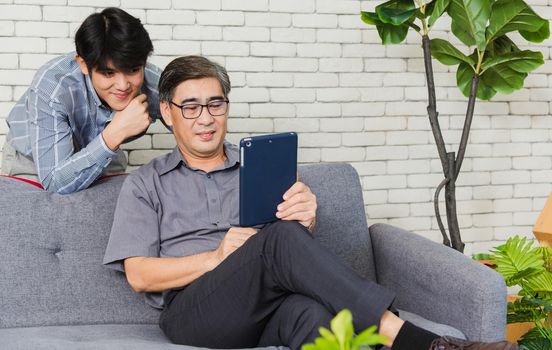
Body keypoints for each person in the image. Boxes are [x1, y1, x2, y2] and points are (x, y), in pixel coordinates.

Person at [103, 56, 518, 350]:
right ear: (167, 111)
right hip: (194, 313)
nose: (206, 118)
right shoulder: (147, 183)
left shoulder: (262, 168)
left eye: (215, 104)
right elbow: (139, 275)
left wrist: (305, 219)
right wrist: (216, 258)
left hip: (267, 308)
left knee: (317, 318)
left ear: (226, 108)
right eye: (190, 107)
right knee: (279, 240)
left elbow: (286, 254)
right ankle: (417, 342)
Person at [1, 7, 162, 194]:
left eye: (133, 70)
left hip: (101, 155)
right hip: (33, 163)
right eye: (108, 73)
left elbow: (193, 125)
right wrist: (116, 133)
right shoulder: (53, 87)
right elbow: (55, 182)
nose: (123, 85)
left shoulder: (153, 82)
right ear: (84, 64)